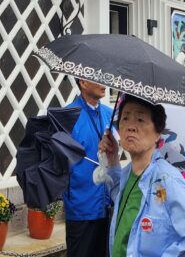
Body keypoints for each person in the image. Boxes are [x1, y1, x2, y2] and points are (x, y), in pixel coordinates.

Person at [99, 95, 185, 257]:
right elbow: (124, 201)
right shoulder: (128, 172)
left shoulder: (167, 180)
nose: (131, 126)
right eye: (125, 118)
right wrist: (112, 159)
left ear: (158, 133)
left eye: (140, 119)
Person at [63, 79, 114, 257]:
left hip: (107, 206)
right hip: (81, 206)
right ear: (83, 83)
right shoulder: (68, 117)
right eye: (97, 79)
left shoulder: (110, 114)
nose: (103, 83)